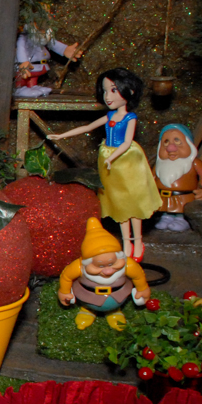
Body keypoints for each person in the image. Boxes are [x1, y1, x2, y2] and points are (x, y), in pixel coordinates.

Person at [48, 68, 159, 262]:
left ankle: (138, 241)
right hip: (109, 159)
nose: (108, 96)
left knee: (133, 200)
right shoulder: (108, 117)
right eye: (106, 90)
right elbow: (87, 127)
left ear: (129, 92)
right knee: (119, 203)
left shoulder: (130, 118)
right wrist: (61, 135)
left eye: (114, 90)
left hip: (126, 160)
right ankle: (126, 242)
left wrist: (112, 157)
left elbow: (126, 142)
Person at [57, 217, 151, 330]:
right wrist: (64, 291)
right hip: (88, 296)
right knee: (88, 304)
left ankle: (114, 311)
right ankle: (87, 310)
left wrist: (143, 288)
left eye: (112, 263)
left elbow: (138, 276)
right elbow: (66, 277)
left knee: (116, 305)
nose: (108, 271)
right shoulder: (79, 266)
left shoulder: (127, 265)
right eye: (100, 266)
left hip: (118, 295)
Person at [153, 123, 202, 232]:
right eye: (166, 141)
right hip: (164, 197)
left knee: (183, 209)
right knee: (166, 210)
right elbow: (151, 179)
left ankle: (182, 219)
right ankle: (166, 217)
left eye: (177, 141)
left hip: (185, 198)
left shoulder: (194, 163)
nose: (171, 147)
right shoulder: (159, 164)